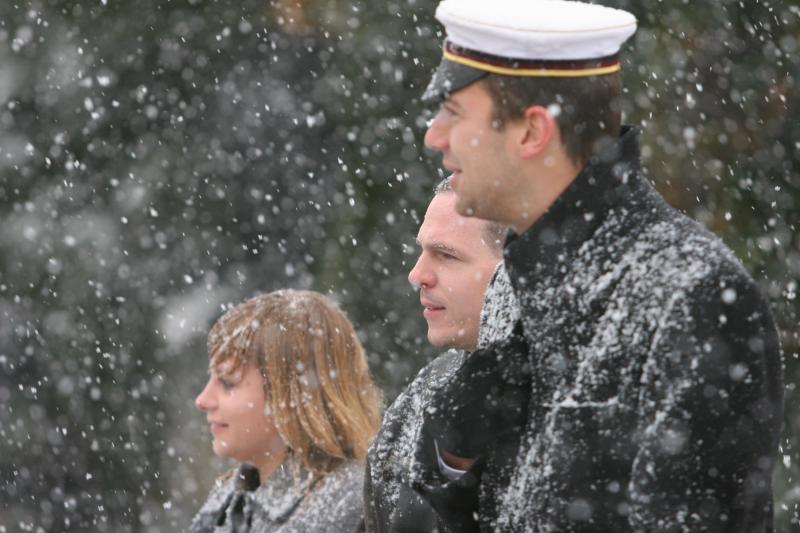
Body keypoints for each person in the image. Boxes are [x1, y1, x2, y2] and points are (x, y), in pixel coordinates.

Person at [413, 0, 784, 531]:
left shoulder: (692, 295)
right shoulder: (522, 281)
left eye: (453, 112)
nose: (434, 136)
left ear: (531, 132)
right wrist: (458, 464)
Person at [363, 178, 520, 532]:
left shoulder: (573, 399)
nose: (417, 275)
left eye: (446, 255)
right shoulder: (417, 401)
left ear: (515, 267)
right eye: (421, 252)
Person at [190, 289, 382, 533]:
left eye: (227, 382)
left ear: (293, 394)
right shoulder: (227, 504)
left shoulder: (357, 510)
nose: (202, 400)